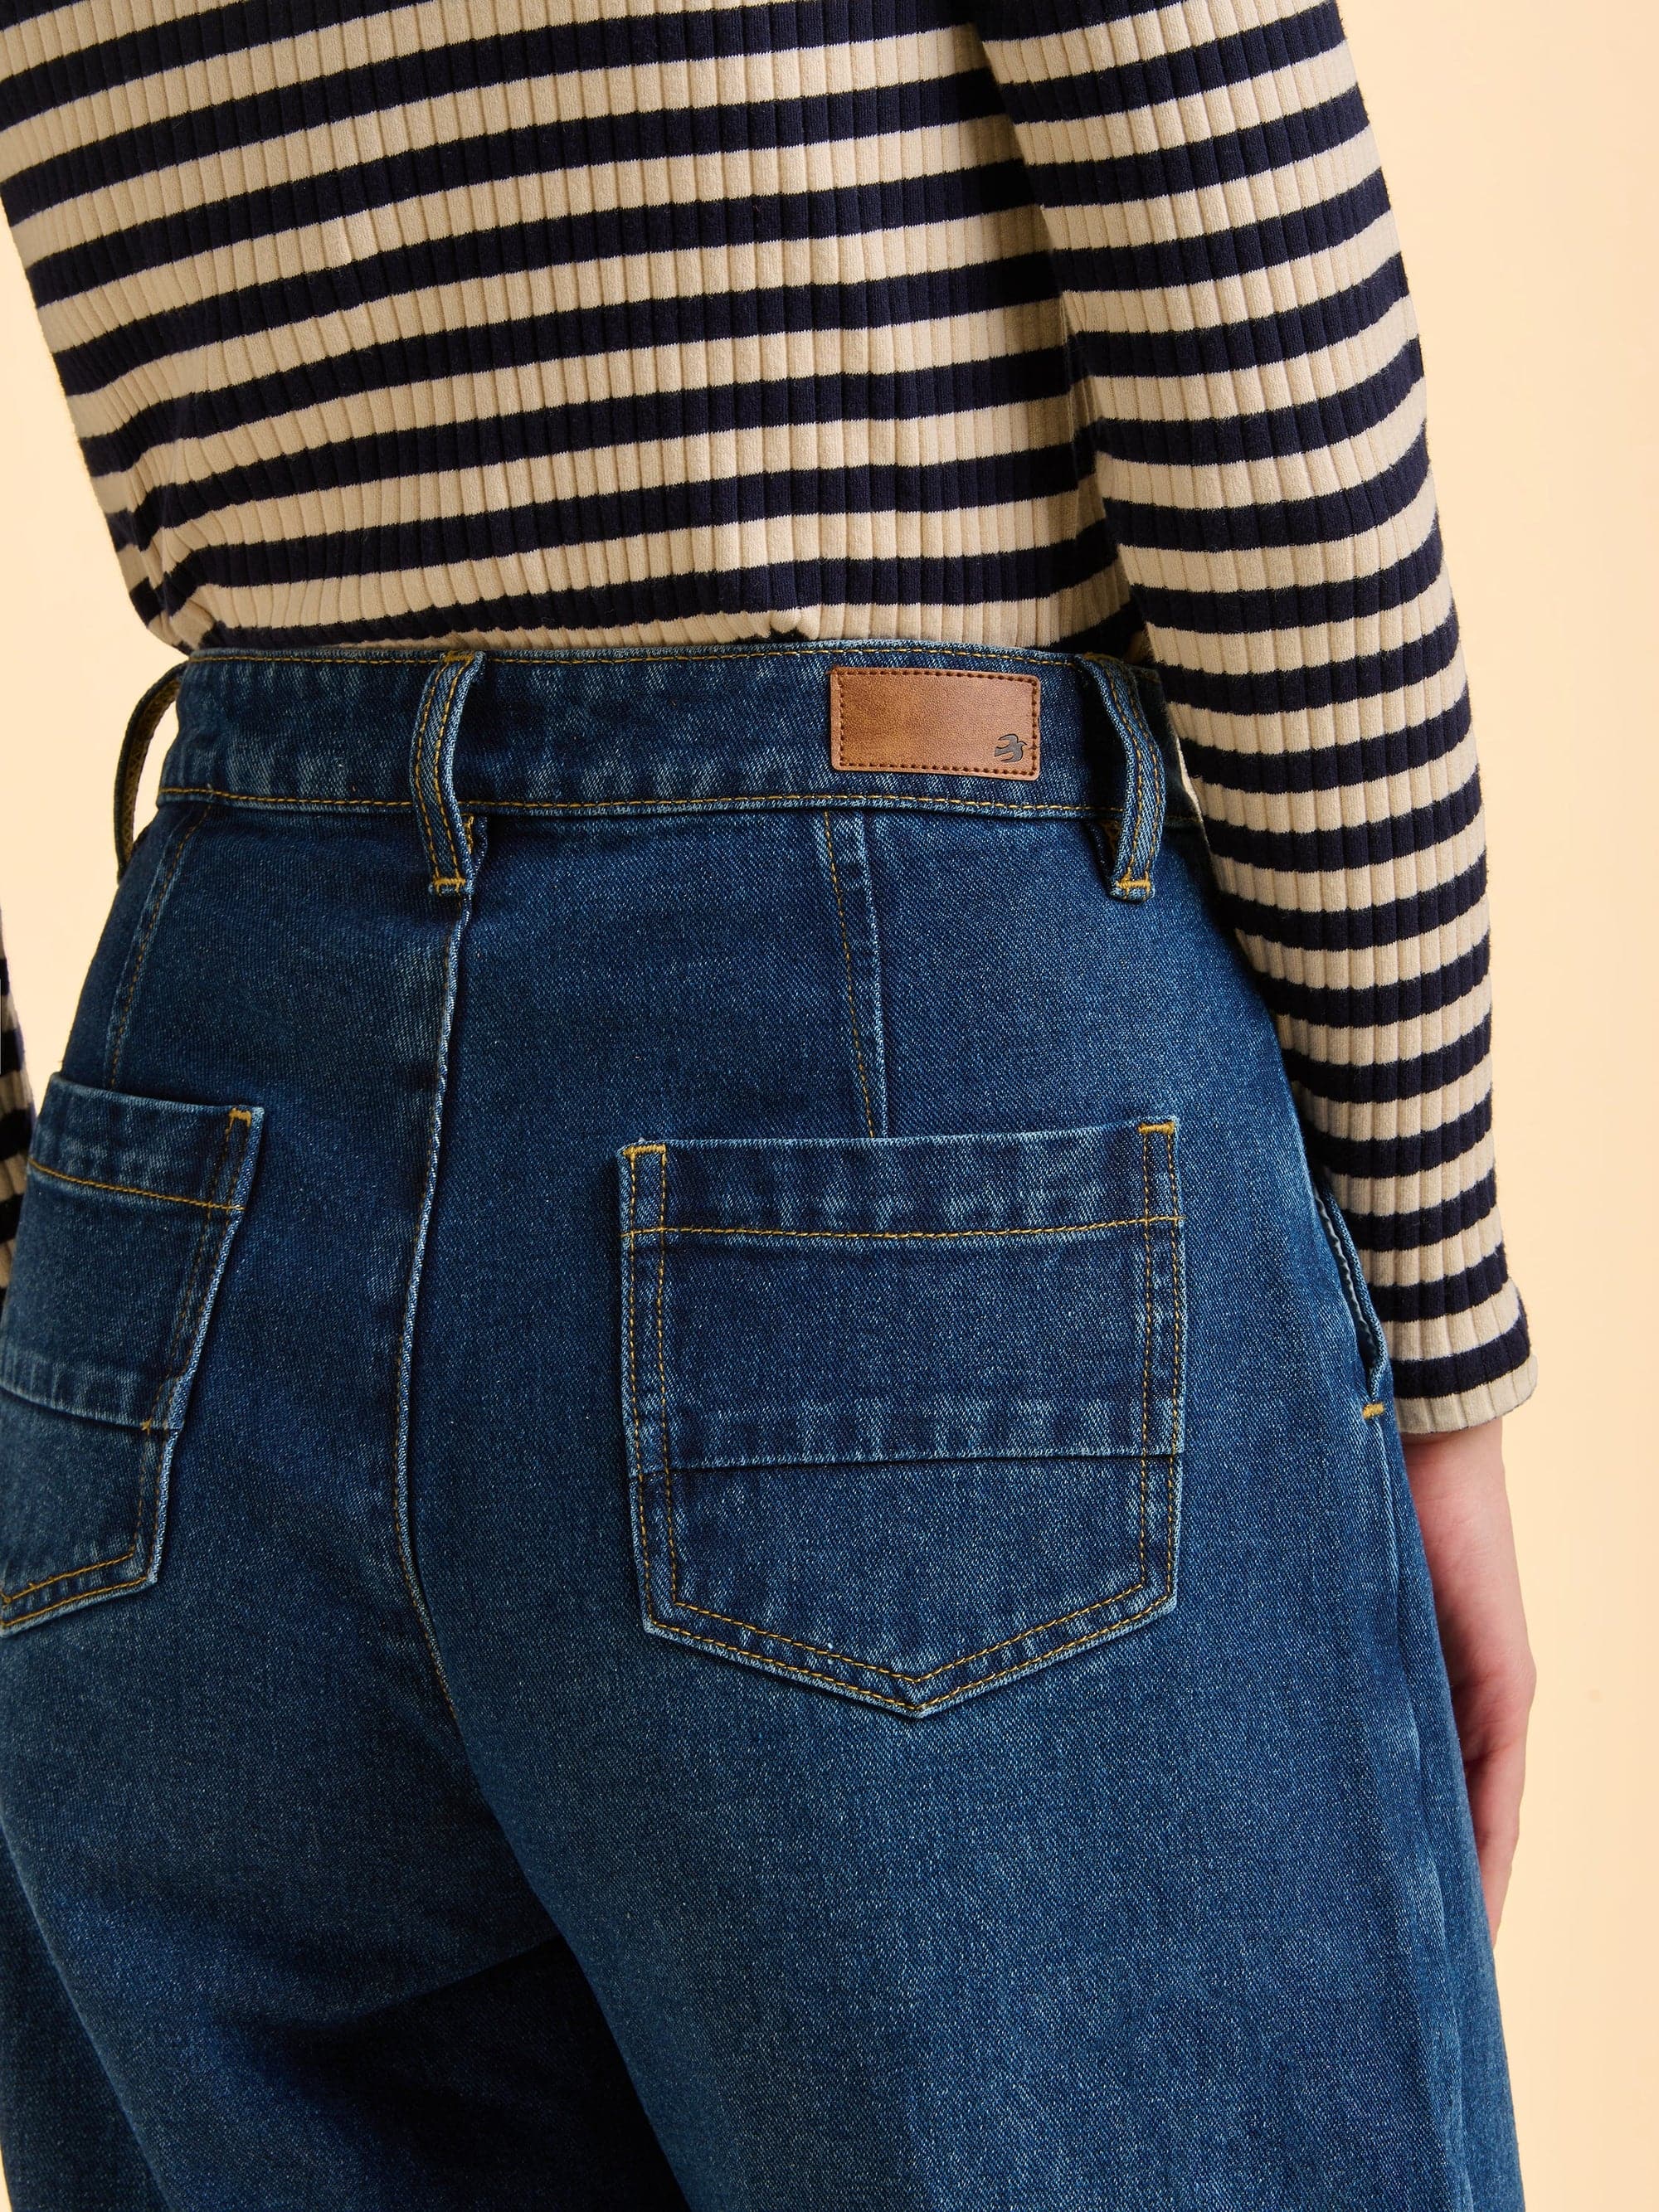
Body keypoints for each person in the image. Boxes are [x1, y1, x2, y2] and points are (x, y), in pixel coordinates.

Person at [0, 3, 1536, 2206]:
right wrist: (1430, 1331)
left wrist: (42, 1351)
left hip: (193, 1195)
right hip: (907, 1120)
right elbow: (1239, 287)